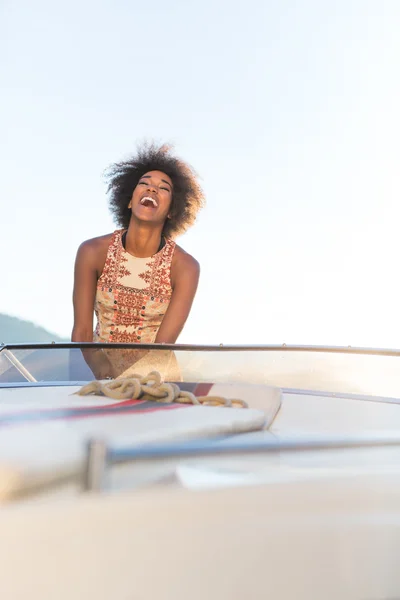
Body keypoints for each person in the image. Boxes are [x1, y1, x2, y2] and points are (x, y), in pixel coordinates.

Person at [71, 142, 205, 378]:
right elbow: (81, 331)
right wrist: (106, 376)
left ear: (172, 210)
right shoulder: (92, 252)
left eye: (163, 188)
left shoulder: (185, 267)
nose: (151, 189)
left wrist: (136, 386)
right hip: (104, 379)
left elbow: (163, 346)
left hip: (158, 382)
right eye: (144, 183)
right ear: (130, 200)